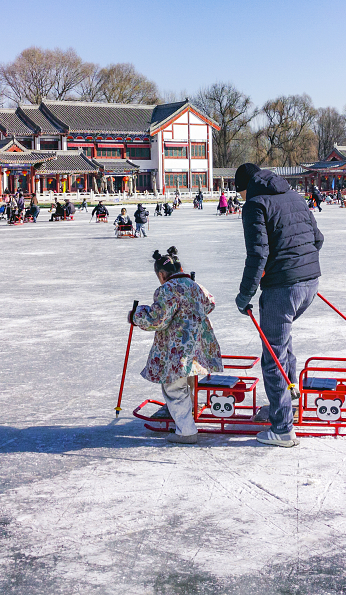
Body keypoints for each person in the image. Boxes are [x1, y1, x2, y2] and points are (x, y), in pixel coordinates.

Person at [233, 163, 324, 448]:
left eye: (240, 193)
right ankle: (290, 396)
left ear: (246, 187)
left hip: (283, 289)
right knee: (281, 343)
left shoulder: (255, 205)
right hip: (310, 283)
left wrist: (244, 294)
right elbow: (318, 239)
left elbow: (258, 254)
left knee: (272, 356)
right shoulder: (295, 196)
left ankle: (283, 428)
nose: (241, 198)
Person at [129, 247, 222, 445]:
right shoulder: (195, 285)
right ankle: (186, 420)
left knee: (173, 386)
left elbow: (157, 320)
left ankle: (186, 430)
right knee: (187, 382)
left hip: (177, 348)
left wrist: (137, 315)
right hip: (198, 345)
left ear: (162, 275)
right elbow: (210, 303)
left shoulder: (167, 289)